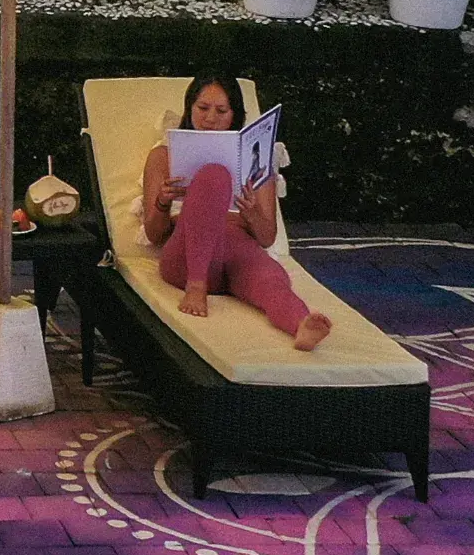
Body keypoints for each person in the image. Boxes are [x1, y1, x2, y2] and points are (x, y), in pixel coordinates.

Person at [138, 74, 331, 351]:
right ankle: (196, 286)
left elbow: (266, 238)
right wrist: (162, 202)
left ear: (234, 115)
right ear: (189, 108)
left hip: (237, 251)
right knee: (215, 175)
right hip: (187, 254)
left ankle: (301, 324)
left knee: (270, 278)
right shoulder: (161, 156)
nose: (210, 119)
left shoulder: (255, 158)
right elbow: (154, 235)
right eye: (202, 109)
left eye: (221, 111)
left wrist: (251, 212)